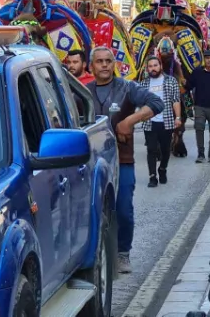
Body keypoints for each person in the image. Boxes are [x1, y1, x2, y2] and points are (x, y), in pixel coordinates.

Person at [85, 47, 164, 274]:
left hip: (122, 160)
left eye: (108, 61)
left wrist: (130, 120)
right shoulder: (81, 91)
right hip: (91, 162)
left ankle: (122, 253)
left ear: (114, 64)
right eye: (99, 61)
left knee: (123, 209)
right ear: (92, 66)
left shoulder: (127, 88)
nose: (104, 65)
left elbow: (156, 103)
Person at [139, 56, 182, 187]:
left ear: (160, 66)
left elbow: (175, 100)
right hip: (149, 122)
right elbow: (140, 102)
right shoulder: (144, 84)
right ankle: (152, 177)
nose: (153, 68)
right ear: (147, 69)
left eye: (155, 65)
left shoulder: (170, 81)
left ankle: (162, 169)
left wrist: (178, 117)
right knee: (151, 149)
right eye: (150, 66)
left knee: (165, 150)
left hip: (166, 120)